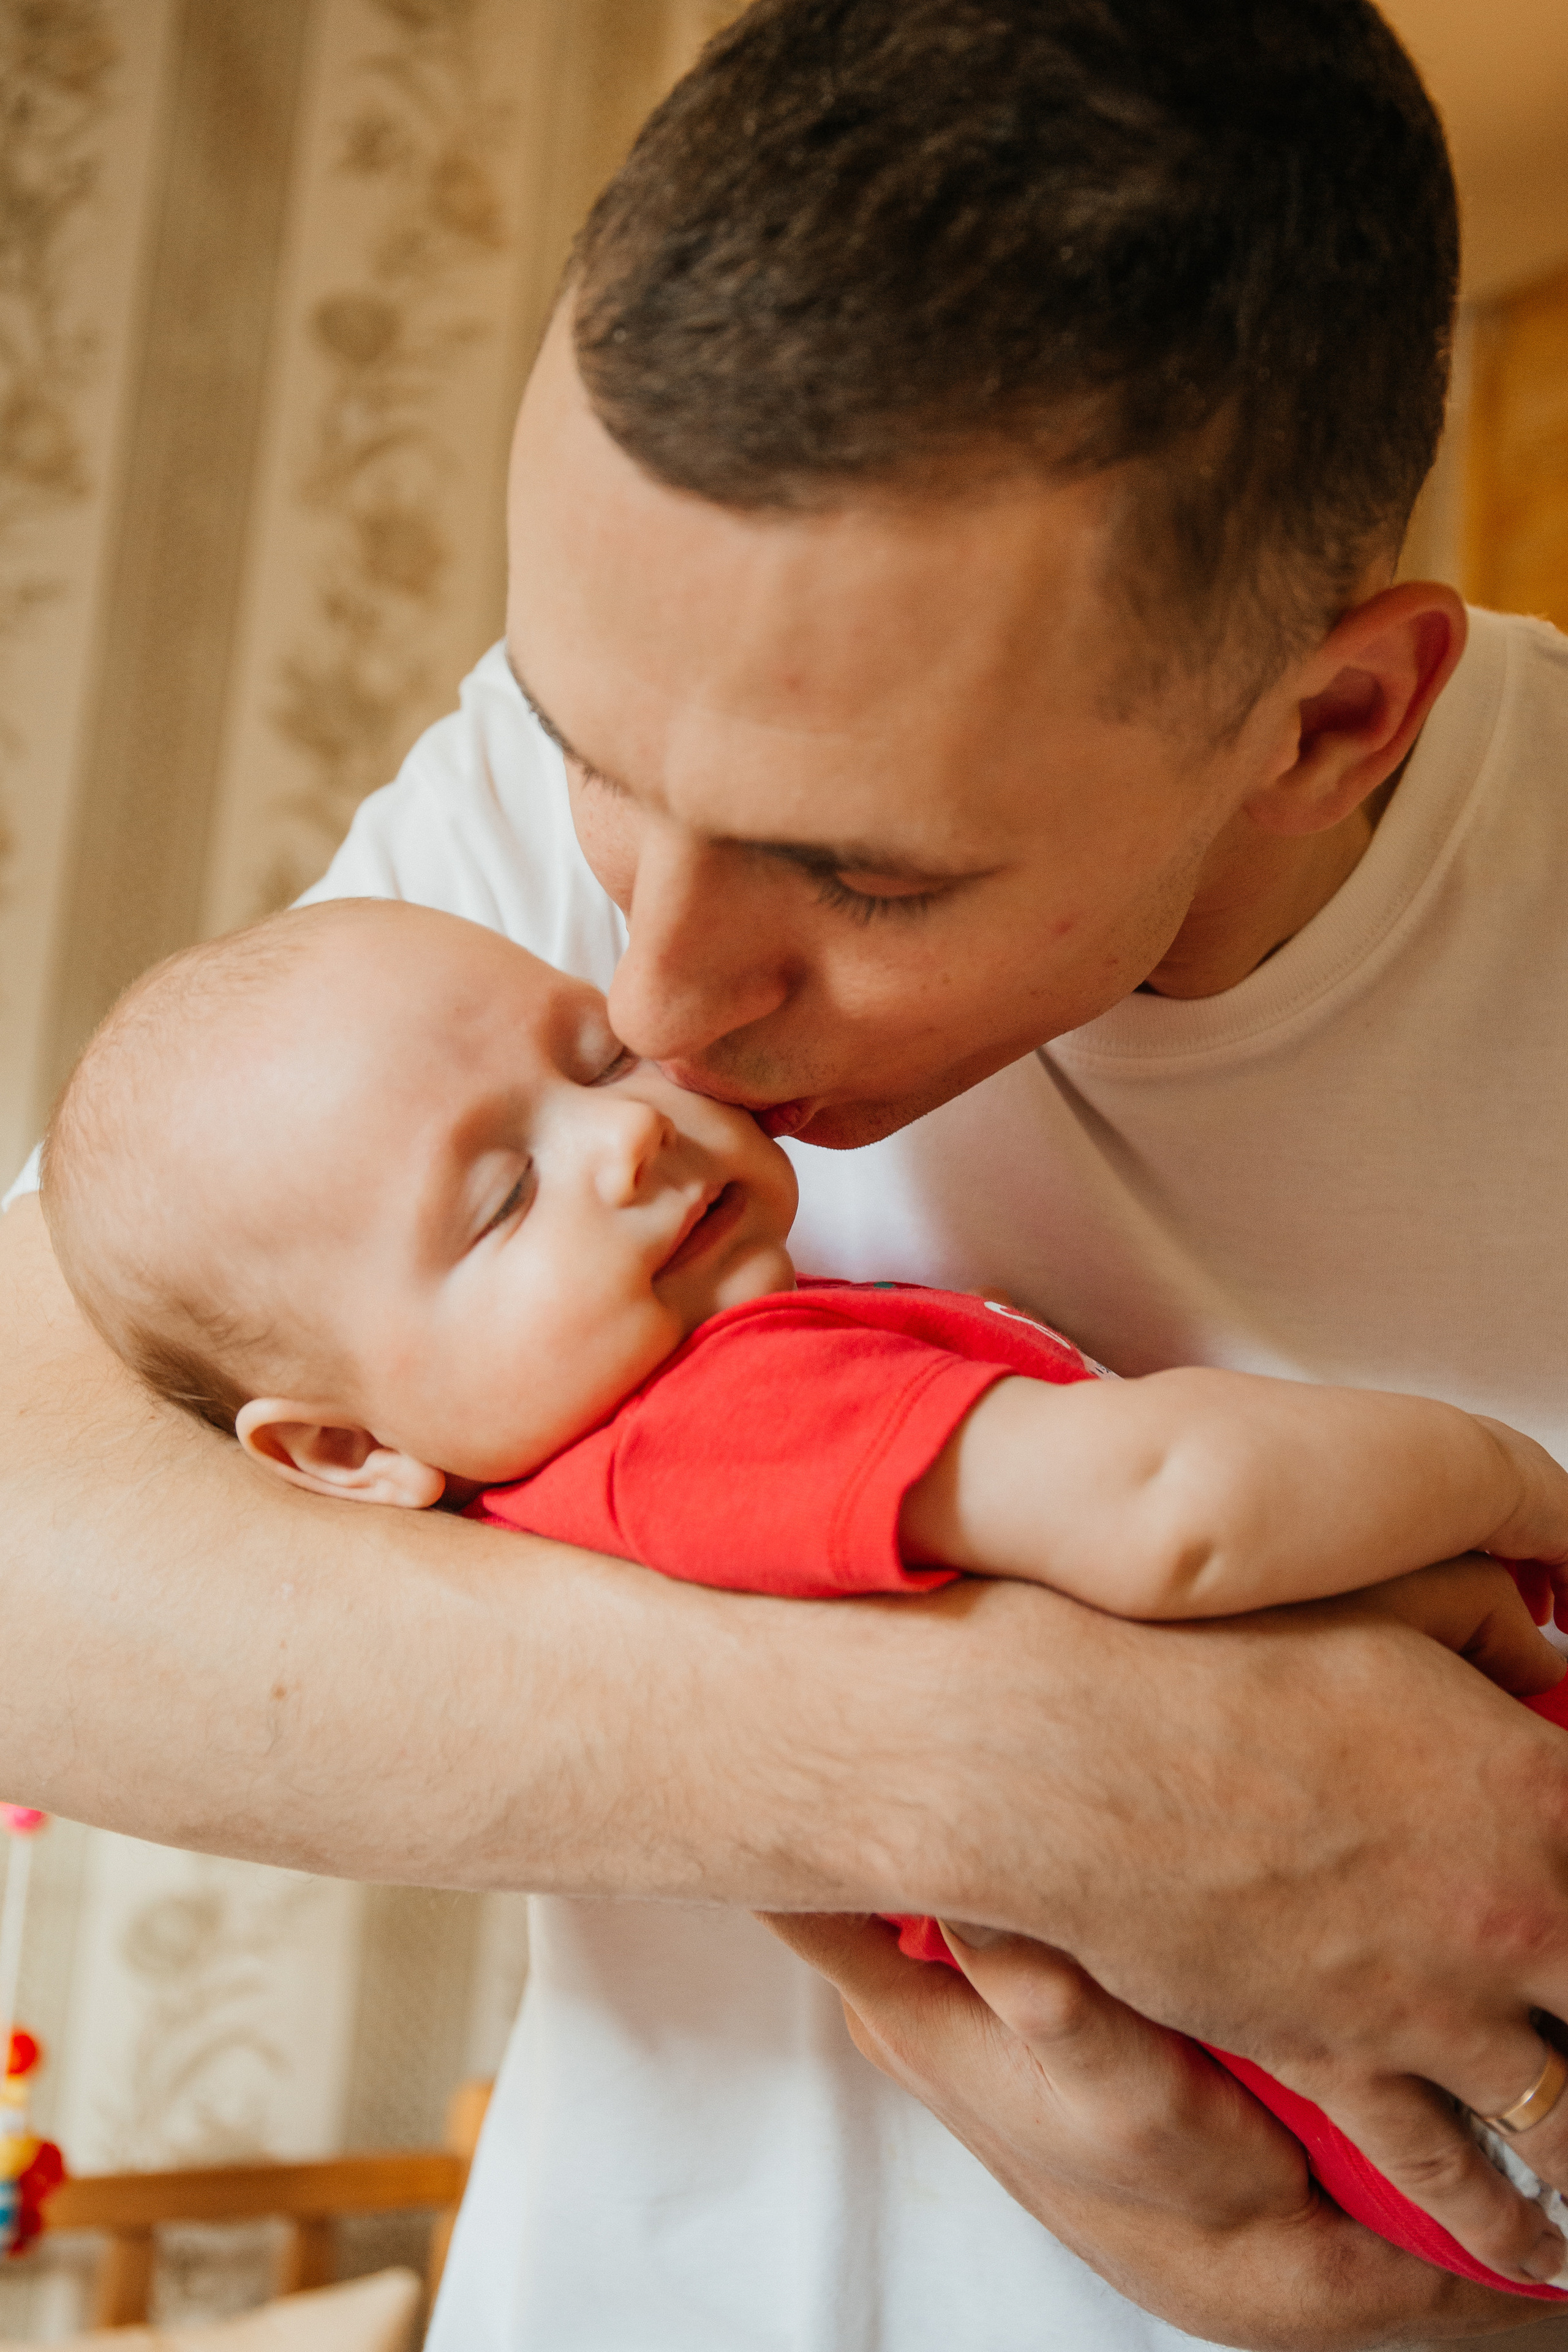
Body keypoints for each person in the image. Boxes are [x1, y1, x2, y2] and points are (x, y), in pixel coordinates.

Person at [7, 0, 1568, 2341]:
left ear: (1331, 728)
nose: (651, 997)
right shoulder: (553, 876)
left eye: (867, 879)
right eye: (581, 762)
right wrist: (1044, 1778)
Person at [39, 895, 1568, 2305]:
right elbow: (1170, 1508)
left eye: (598, 1054)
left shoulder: (588, 1486)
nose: (624, 1137)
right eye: (505, 1198)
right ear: (347, 1450)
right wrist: (1501, 1480)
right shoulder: (722, 1419)